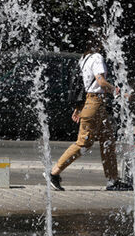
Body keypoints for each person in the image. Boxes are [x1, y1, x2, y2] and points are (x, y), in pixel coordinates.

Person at [47, 30, 129, 191]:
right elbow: (100, 81)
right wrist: (117, 91)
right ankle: (54, 173)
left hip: (93, 103)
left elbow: (81, 85)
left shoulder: (84, 59)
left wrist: (78, 107)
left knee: (108, 141)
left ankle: (113, 180)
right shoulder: (97, 58)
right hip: (95, 104)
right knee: (83, 142)